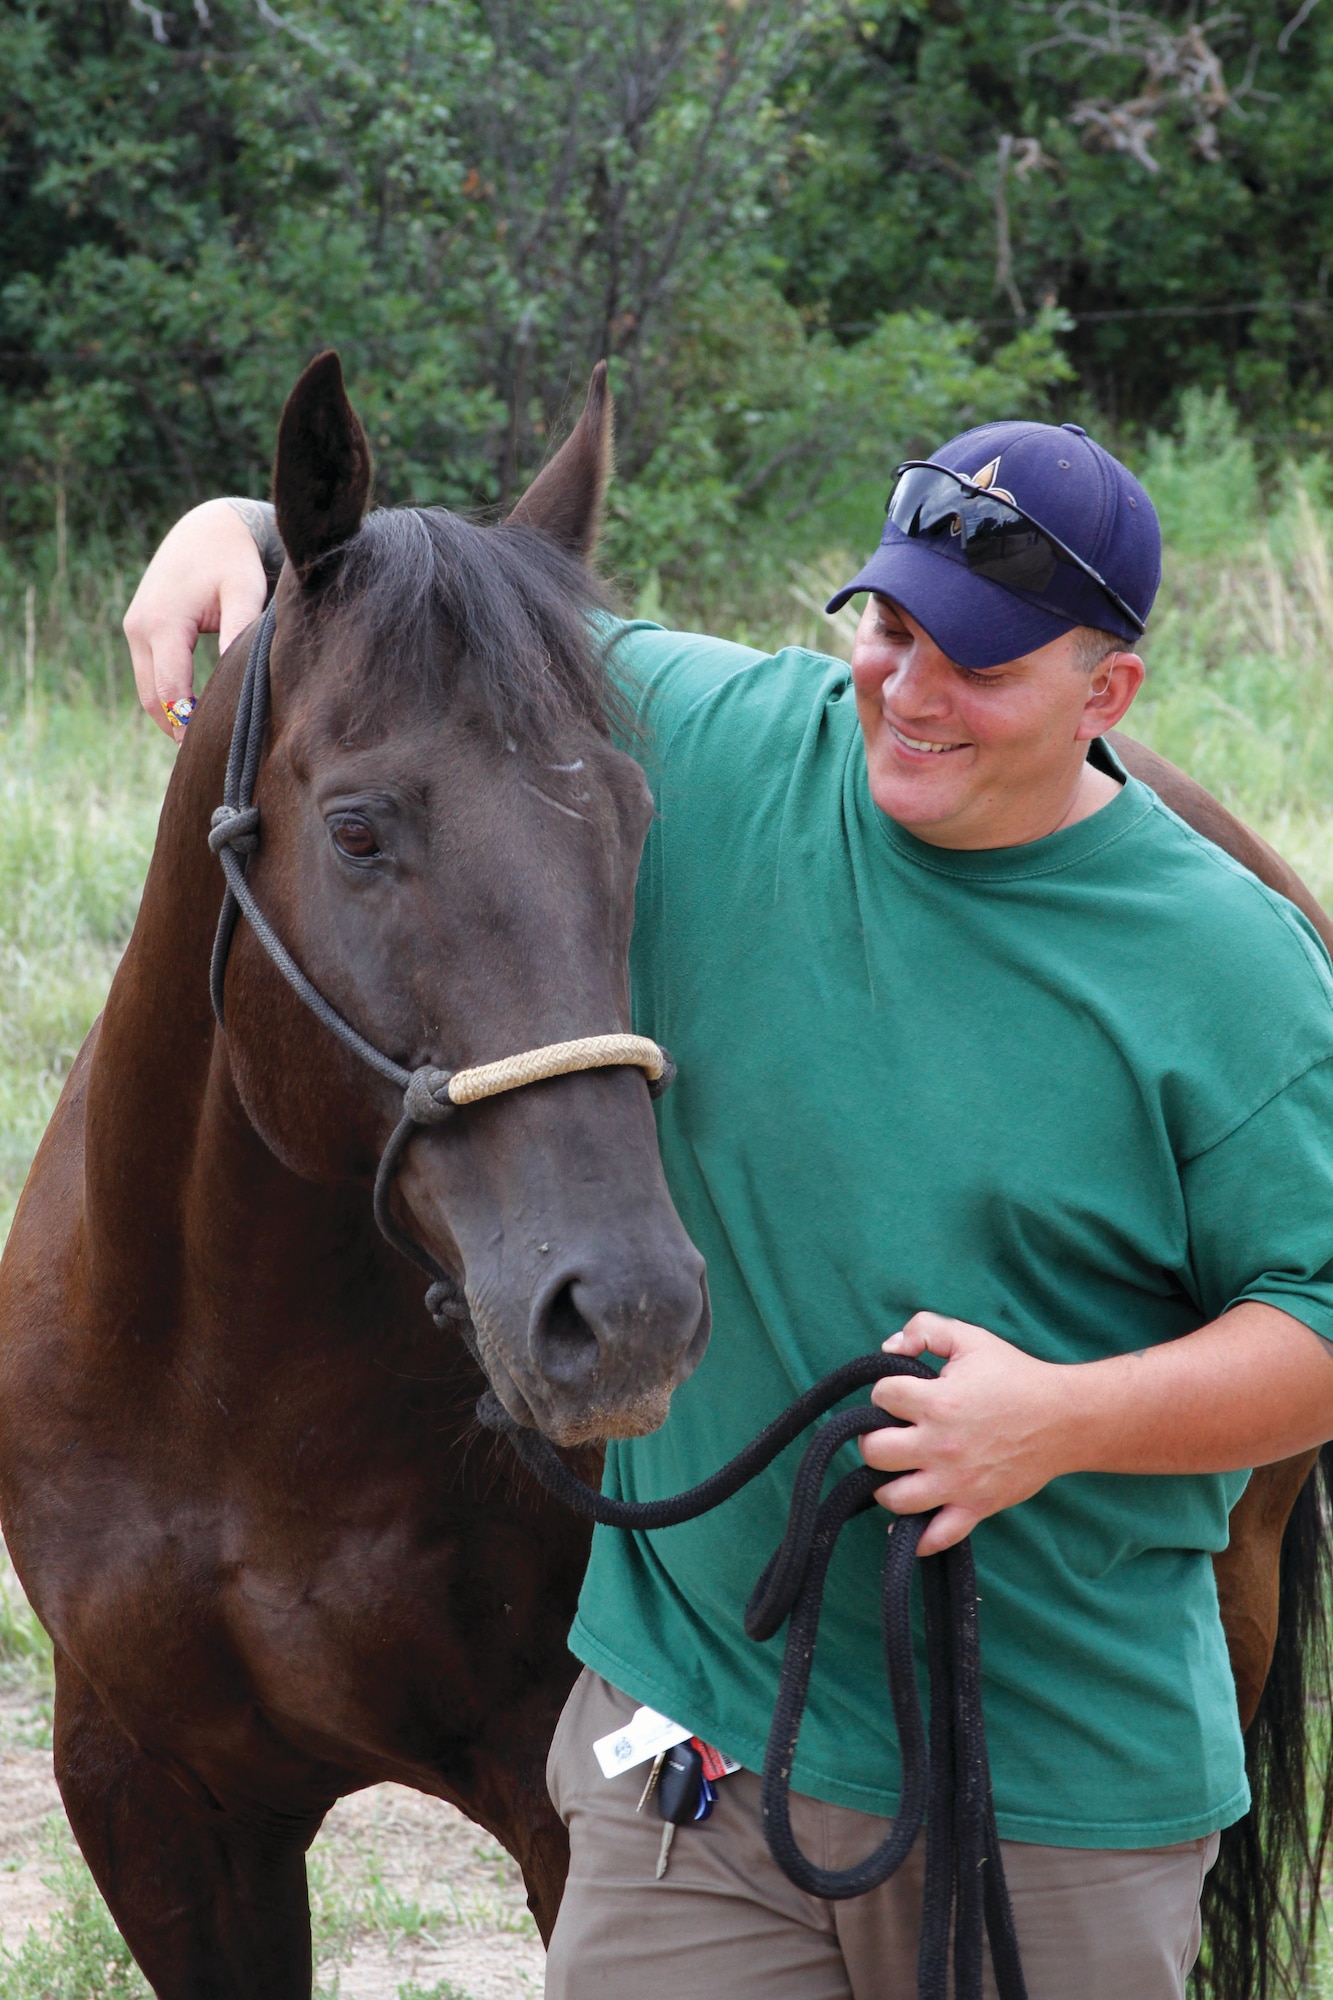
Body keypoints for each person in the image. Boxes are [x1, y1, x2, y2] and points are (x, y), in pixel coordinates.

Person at [124, 419, 1333, 2000]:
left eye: (976, 663)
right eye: (888, 630)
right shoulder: (726, 739)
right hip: (687, 1761)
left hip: (1040, 1788)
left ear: (1105, 692)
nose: (906, 691)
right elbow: (433, 624)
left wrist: (1056, 1422)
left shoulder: (1227, 971)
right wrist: (239, 529)